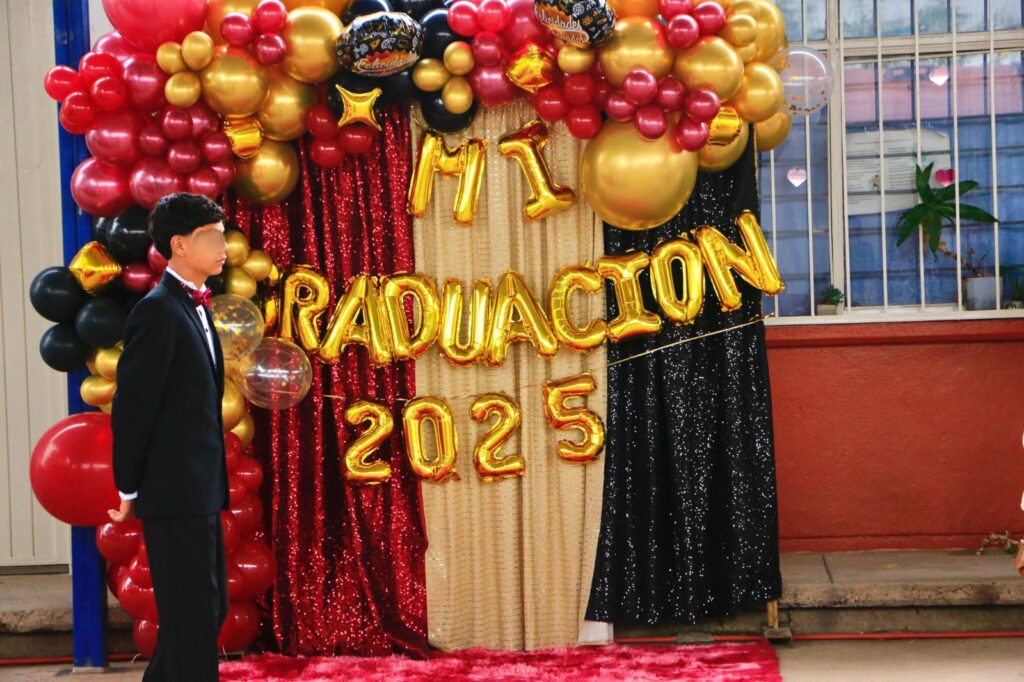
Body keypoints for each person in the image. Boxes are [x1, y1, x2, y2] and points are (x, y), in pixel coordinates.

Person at [107, 192, 231, 681]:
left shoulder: (195, 305)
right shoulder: (157, 311)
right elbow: (134, 407)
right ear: (179, 245)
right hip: (173, 489)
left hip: (199, 487)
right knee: (192, 618)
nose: (224, 246)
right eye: (212, 237)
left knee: (206, 613)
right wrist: (128, 487)